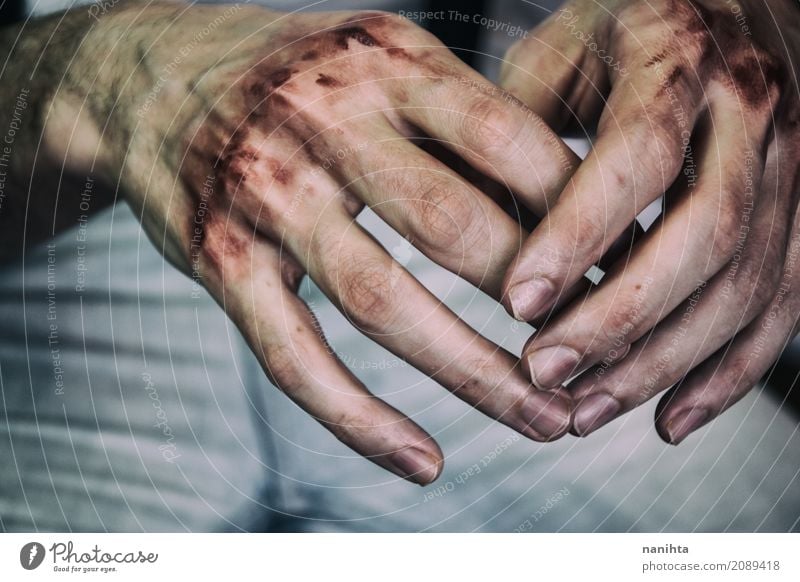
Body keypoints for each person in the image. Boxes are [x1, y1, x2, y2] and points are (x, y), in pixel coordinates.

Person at [0, 0, 798, 532]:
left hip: (437, 213)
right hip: (48, 278)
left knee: (758, 510)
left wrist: (758, 28)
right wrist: (81, 76)